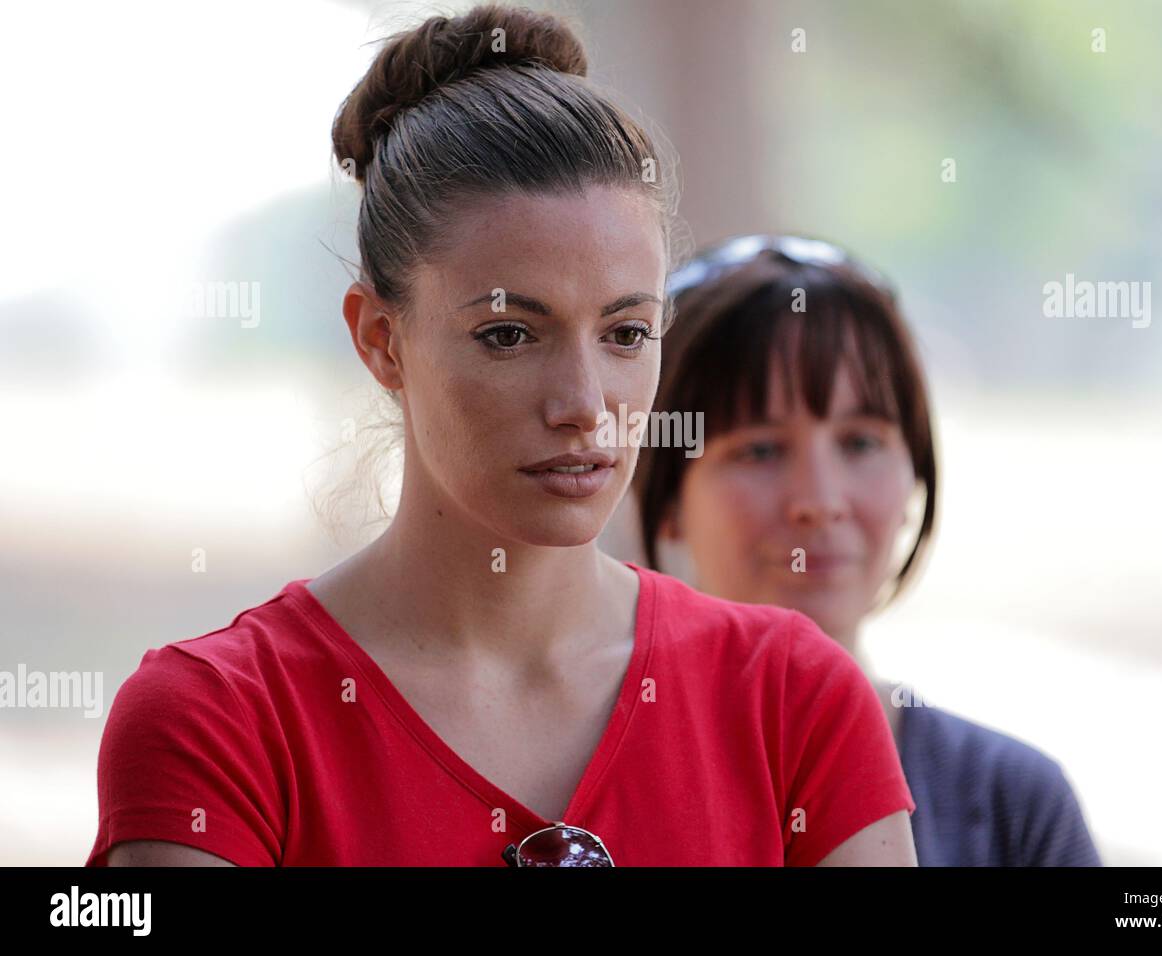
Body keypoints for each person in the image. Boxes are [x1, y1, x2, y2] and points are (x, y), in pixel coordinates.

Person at [86, 6, 915, 867]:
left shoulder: (795, 701)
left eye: (626, 334)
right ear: (380, 339)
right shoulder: (222, 719)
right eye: (510, 334)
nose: (586, 405)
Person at [634, 234, 1102, 866]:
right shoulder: (600, 782)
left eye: (859, 443)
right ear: (666, 498)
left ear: (915, 472)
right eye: (760, 449)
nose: (821, 500)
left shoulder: (1011, 805)